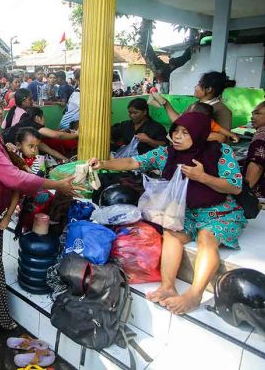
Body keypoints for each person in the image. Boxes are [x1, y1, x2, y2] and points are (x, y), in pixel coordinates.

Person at [0, 82, 78, 342]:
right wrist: (56, 185)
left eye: (0, 105)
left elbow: (7, 163)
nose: (0, 111)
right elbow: (12, 177)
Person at [89, 112, 246, 314]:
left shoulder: (219, 152)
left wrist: (203, 177)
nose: (177, 137)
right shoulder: (167, 153)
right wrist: (104, 164)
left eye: (185, 132)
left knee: (206, 239)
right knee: (171, 233)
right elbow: (133, 162)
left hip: (218, 212)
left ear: (199, 133)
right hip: (185, 212)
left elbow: (235, 187)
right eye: (176, 131)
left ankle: (194, 295)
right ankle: (167, 286)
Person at [156, 71, 234, 140]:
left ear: (208, 89)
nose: (195, 87)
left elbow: (222, 138)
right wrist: (165, 103)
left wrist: (189, 133)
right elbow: (180, 121)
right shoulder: (195, 105)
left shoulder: (222, 110)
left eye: (199, 84)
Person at [13, 107, 78, 158]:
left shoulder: (27, 128)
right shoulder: (34, 126)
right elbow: (58, 135)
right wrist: (76, 134)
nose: (45, 120)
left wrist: (66, 160)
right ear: (38, 118)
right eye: (44, 117)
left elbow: (50, 151)